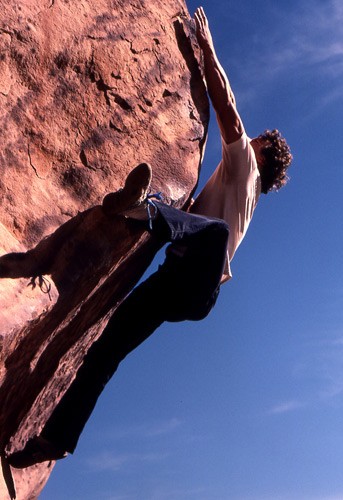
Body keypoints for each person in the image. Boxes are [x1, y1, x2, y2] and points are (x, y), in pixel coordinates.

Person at [7, 7, 292, 468]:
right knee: (107, 347)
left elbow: (229, 112)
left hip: (199, 274)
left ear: (263, 152)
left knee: (211, 232)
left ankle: (144, 208)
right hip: (179, 282)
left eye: (259, 138)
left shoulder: (248, 170)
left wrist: (208, 50)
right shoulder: (238, 190)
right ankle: (54, 440)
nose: (250, 137)